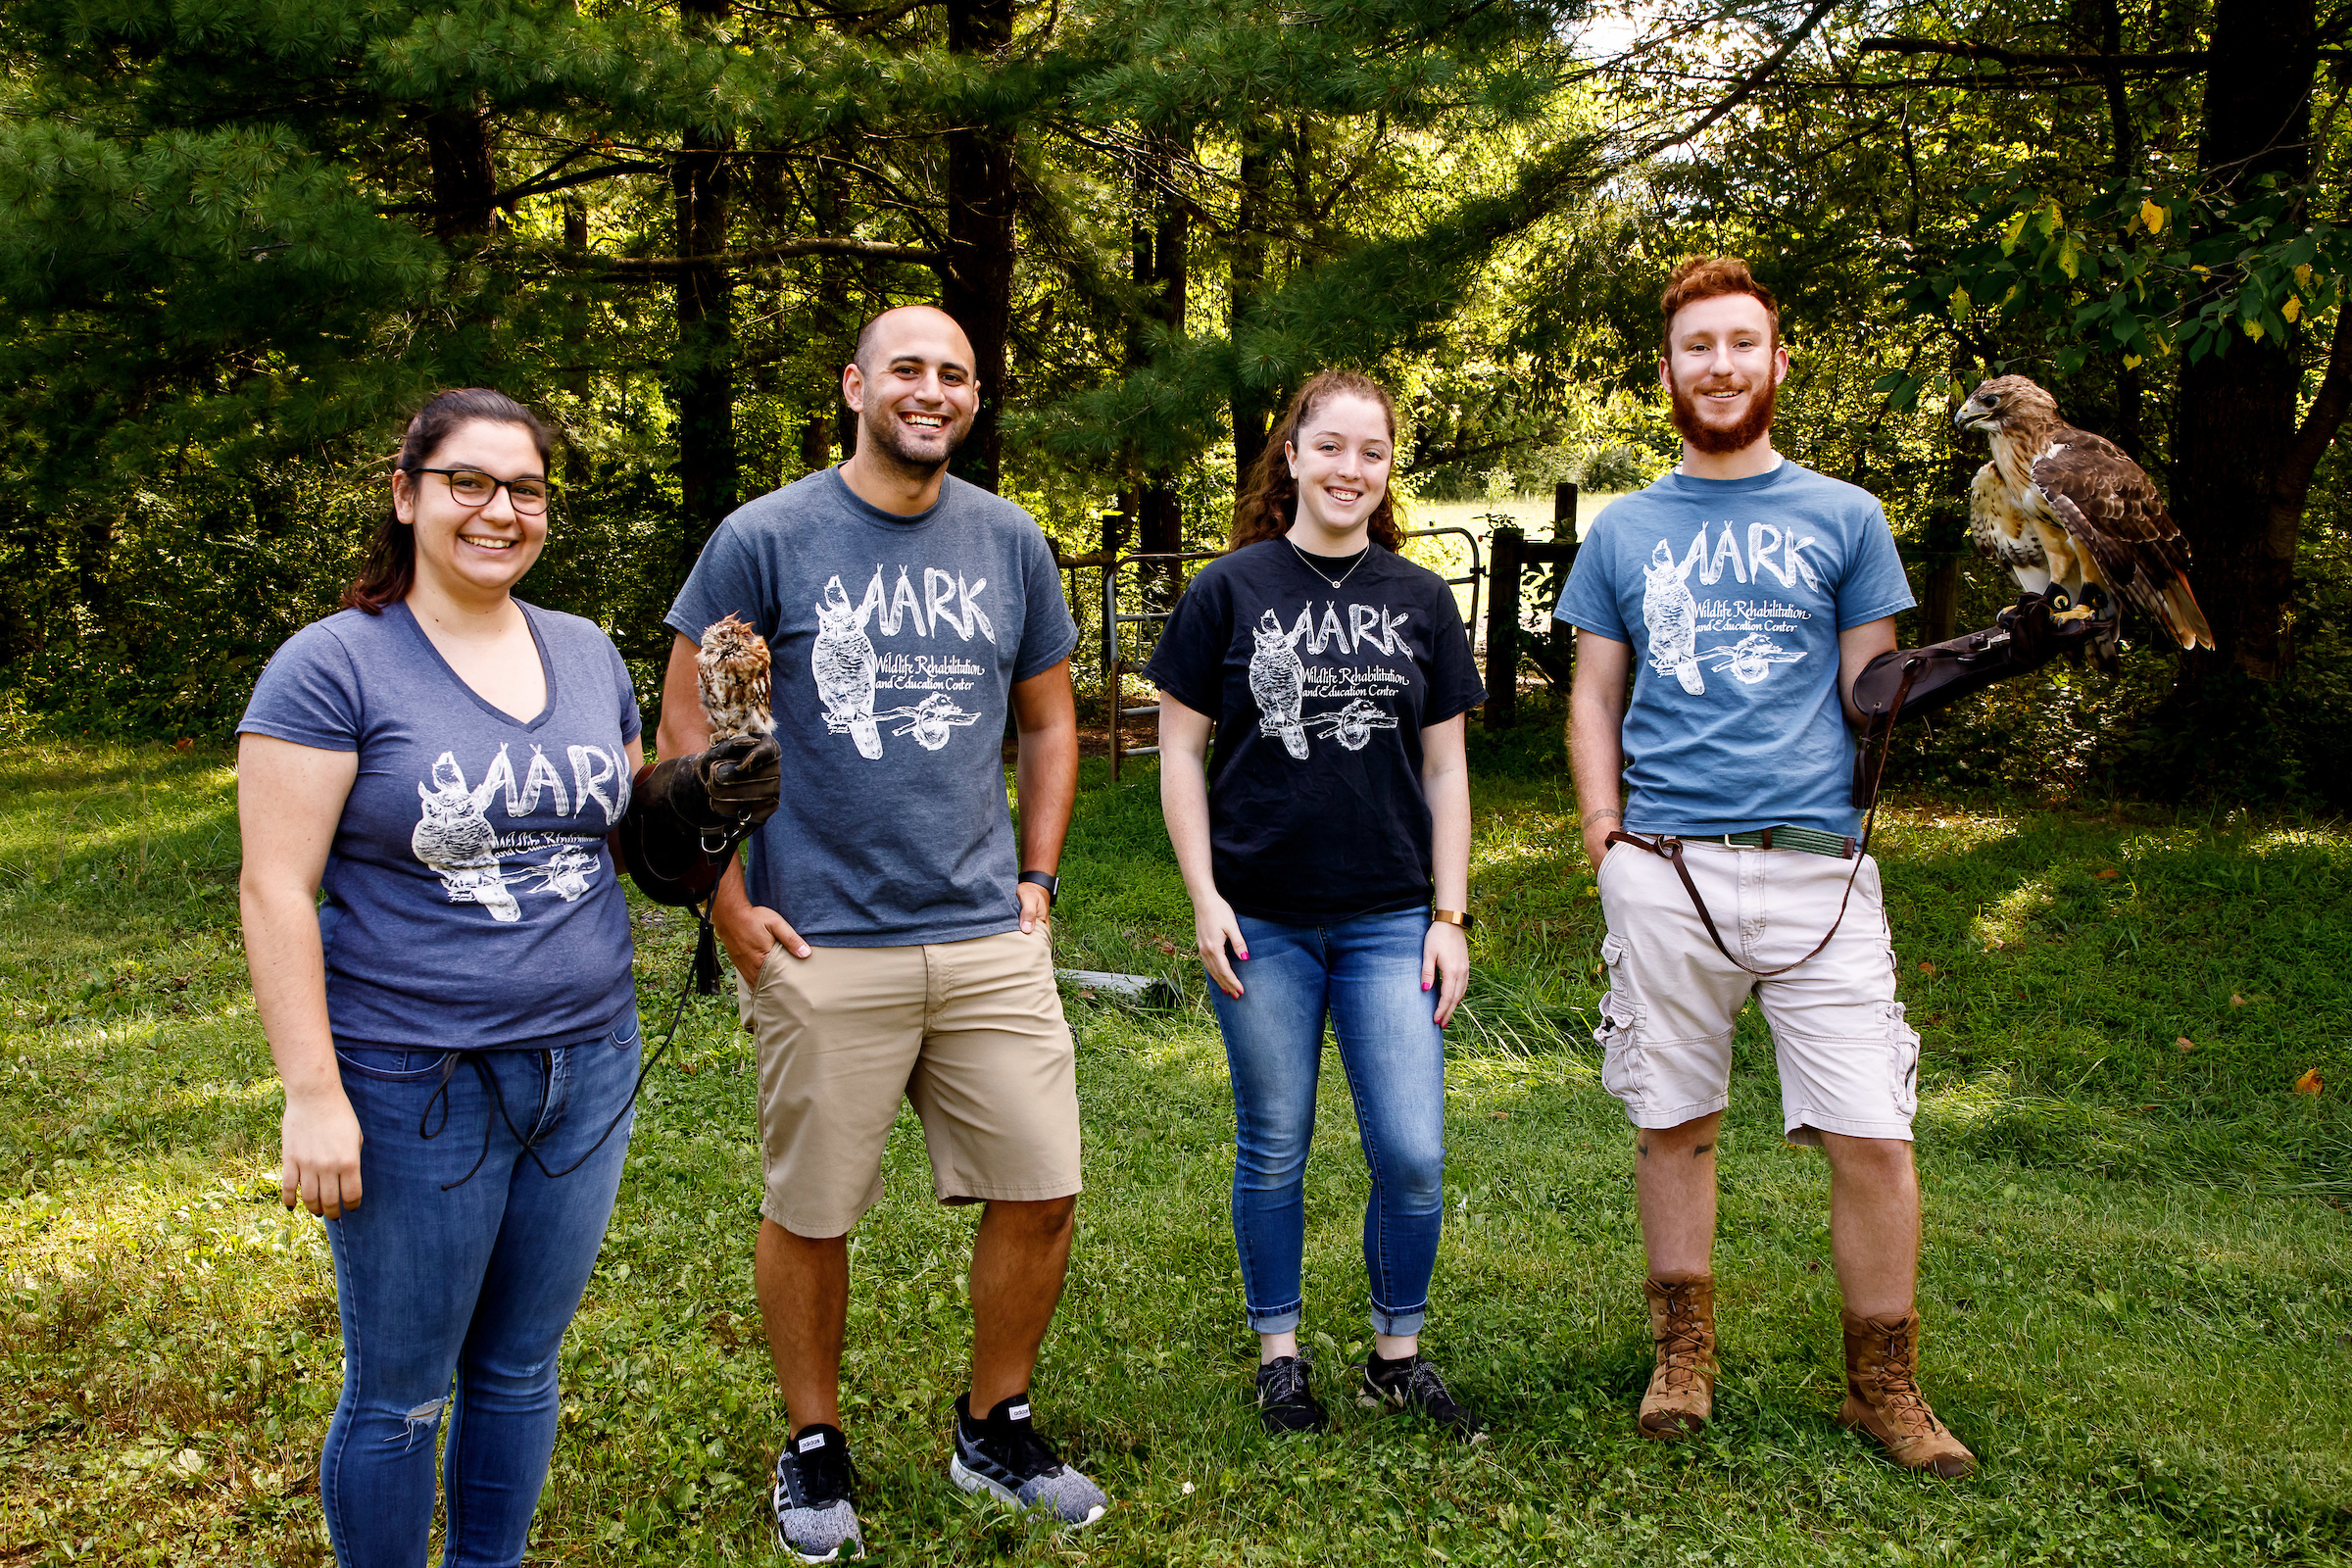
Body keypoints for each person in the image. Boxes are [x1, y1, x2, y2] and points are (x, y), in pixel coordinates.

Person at [237, 388, 777, 1567]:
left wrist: (699, 809)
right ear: (406, 495)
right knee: (403, 1392)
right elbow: (275, 889)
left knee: (521, 1366)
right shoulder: (332, 666)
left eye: (524, 488)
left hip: (585, 1065)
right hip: (408, 1076)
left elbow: (633, 849)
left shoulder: (583, 650)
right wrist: (312, 1092)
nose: (499, 510)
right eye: (467, 483)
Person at [658, 304, 1099, 1560]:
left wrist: (1041, 875)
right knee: (814, 1206)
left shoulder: (1009, 540)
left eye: (955, 373)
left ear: (973, 398)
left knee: (1043, 1185)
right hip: (821, 939)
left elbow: (1051, 722)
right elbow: (683, 725)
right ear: (855, 384)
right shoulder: (767, 538)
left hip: (980, 932)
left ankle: (994, 1423)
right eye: (907, 367)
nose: (933, 389)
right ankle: (812, 1443)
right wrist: (729, 904)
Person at [1555, 257, 1977, 1477]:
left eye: (1744, 343)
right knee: (1674, 1121)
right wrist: (1602, 834)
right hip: (1668, 863)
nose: (1723, 365)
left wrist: (1979, 663)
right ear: (1671, 369)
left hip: (1819, 869)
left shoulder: (1845, 517)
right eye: (1700, 347)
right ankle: (1682, 1355)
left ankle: (1882, 1384)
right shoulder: (1627, 530)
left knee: (1872, 1132)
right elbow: (1593, 694)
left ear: (1778, 362)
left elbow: (1873, 696)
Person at [1148, 369, 1489, 1441]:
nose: (1351, 470)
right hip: (1263, 919)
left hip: (1392, 918)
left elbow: (1447, 773)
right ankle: (1280, 1352)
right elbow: (1180, 753)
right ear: (1290, 455)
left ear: (1391, 469)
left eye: (1373, 453)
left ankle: (1399, 1349)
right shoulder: (1229, 590)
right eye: (1331, 447)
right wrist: (1204, 896)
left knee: (1413, 1152)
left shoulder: (1422, 600)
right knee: (1275, 1139)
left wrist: (1451, 914)